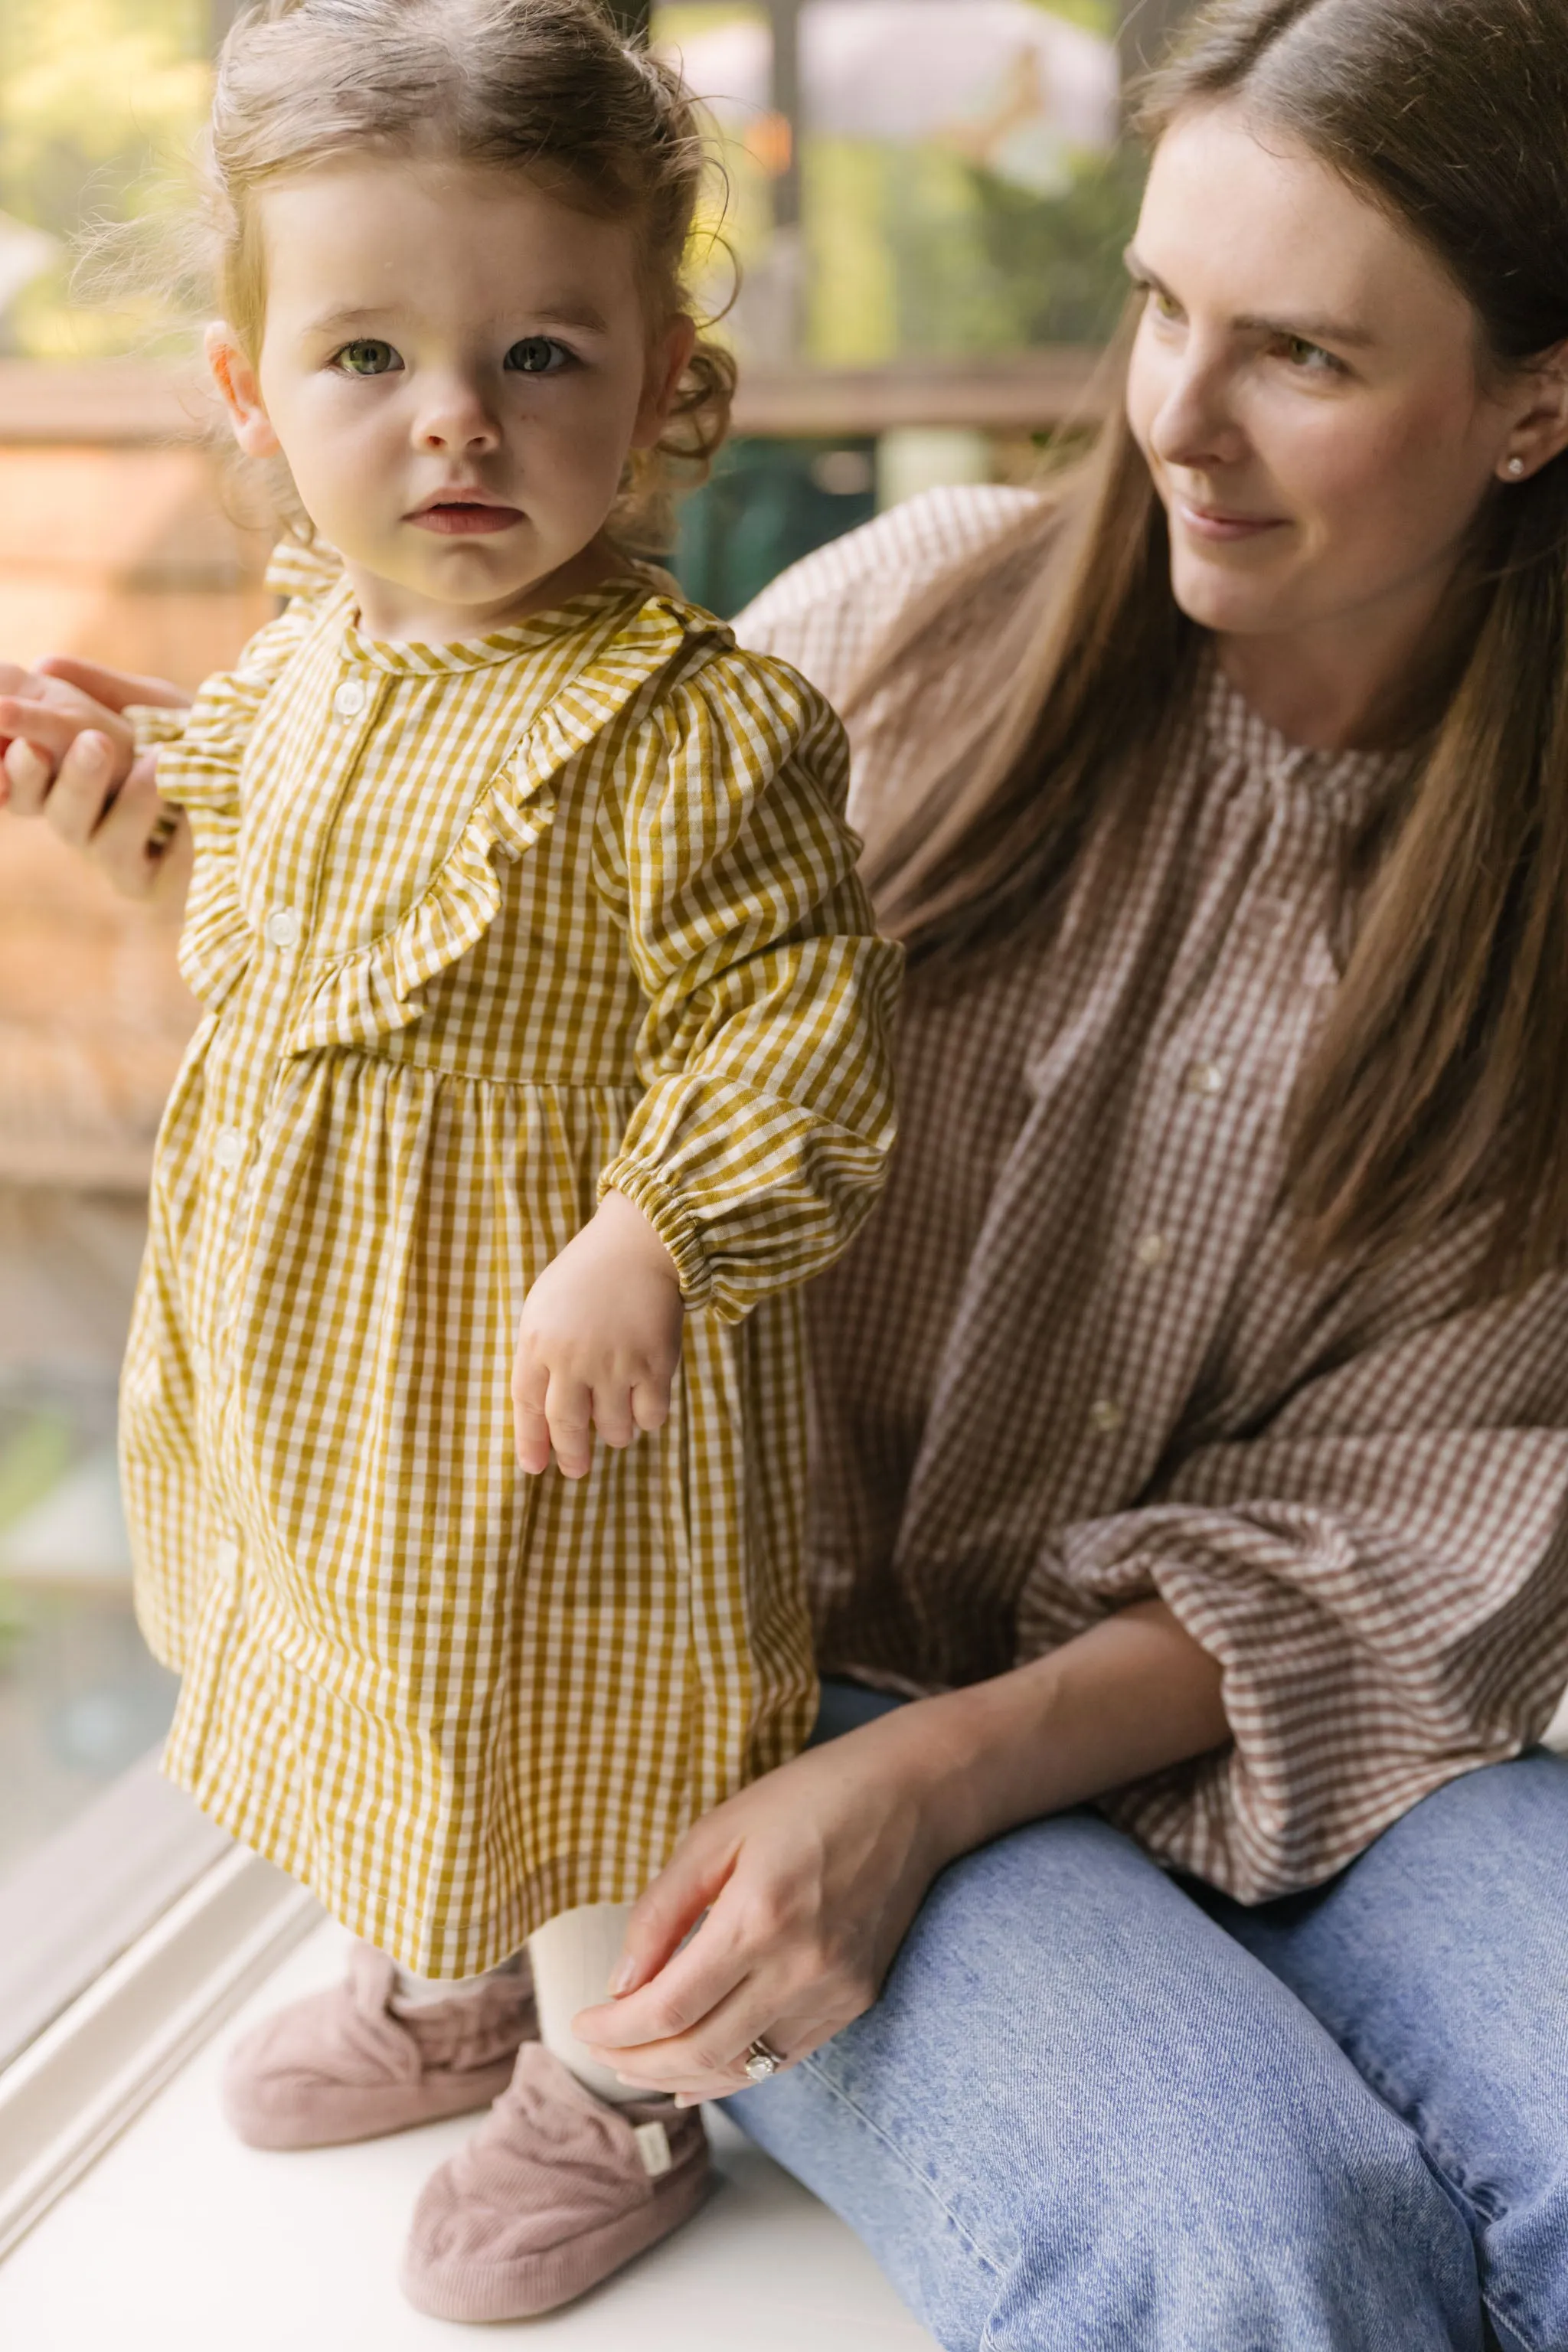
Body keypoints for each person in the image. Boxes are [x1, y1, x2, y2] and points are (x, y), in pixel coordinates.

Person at [7, 0, 1568, 2342]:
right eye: (1158, 306)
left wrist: (945, 1780)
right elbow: (467, 1020)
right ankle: (506, 1980)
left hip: (1265, 1688)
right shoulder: (908, 625)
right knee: (1254, 2257)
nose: (1174, 420)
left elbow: (1457, 1498)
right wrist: (180, 837)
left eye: (1307, 357)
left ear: (1537, 405)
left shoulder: (1524, 899)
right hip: (747, 1674)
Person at [0, 0, 901, 2324]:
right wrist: (149, 813)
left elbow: (798, 1027)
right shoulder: (306, 656)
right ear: (248, 394)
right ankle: (450, 1969)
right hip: (318, 1381)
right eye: (368, 357)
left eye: (535, 352)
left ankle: (616, 2078)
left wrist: (654, 1228)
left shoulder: (700, 728)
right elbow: (316, 933)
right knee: (374, 1688)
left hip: (553, 1396)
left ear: (663, 376)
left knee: (583, 1735)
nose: (454, 423)